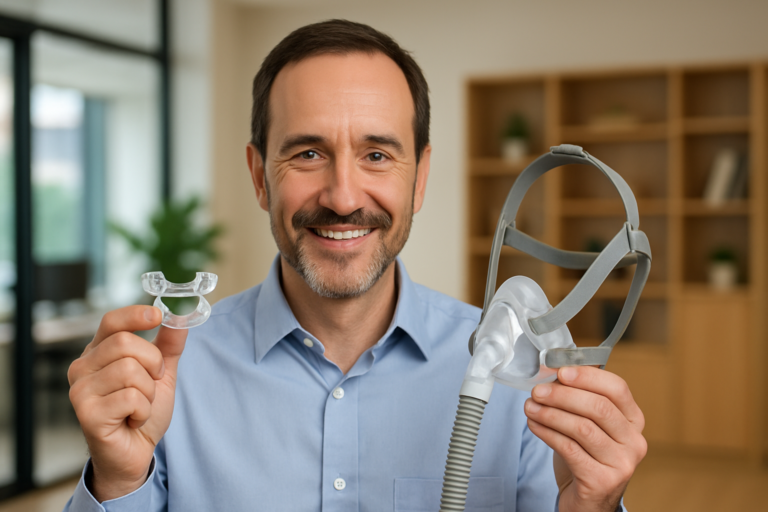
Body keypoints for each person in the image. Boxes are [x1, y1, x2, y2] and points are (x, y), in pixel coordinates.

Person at [64, 19, 646, 512]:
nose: (343, 197)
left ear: (419, 178)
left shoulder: (520, 378)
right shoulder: (172, 375)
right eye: (308, 153)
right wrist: (116, 482)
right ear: (258, 175)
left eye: (376, 154)